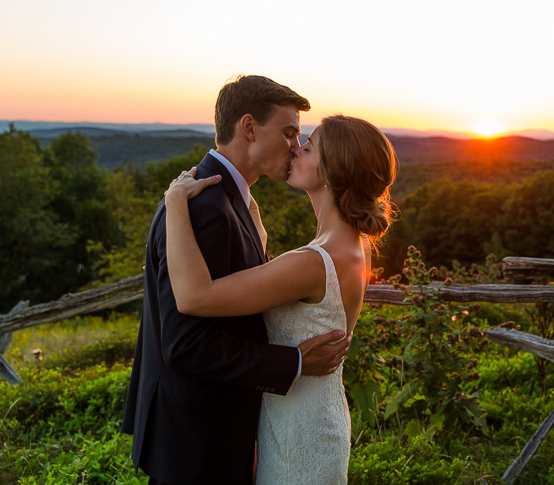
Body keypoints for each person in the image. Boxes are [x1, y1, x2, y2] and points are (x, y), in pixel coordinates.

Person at [121, 75, 352, 485]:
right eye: (288, 132)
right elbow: (185, 342)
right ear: (249, 128)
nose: (295, 146)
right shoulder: (205, 207)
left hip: (213, 432)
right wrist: (294, 362)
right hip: (199, 439)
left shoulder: (225, 200)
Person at [163, 113, 397, 484]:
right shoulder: (354, 245)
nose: (294, 152)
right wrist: (249, 210)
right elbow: (286, 292)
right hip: (311, 416)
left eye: (307, 147)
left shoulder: (313, 262)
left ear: (333, 171)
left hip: (298, 432)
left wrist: (174, 206)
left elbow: (194, 297)